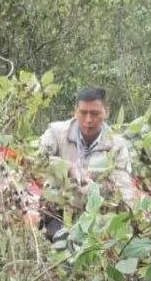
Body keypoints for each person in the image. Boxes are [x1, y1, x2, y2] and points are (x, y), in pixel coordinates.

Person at [29, 87, 138, 238]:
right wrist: (66, 167)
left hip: (97, 214)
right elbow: (35, 160)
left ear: (106, 112)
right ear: (75, 111)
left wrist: (128, 225)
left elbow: (124, 190)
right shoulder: (56, 132)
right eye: (83, 113)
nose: (88, 119)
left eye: (94, 113)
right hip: (58, 209)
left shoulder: (117, 145)